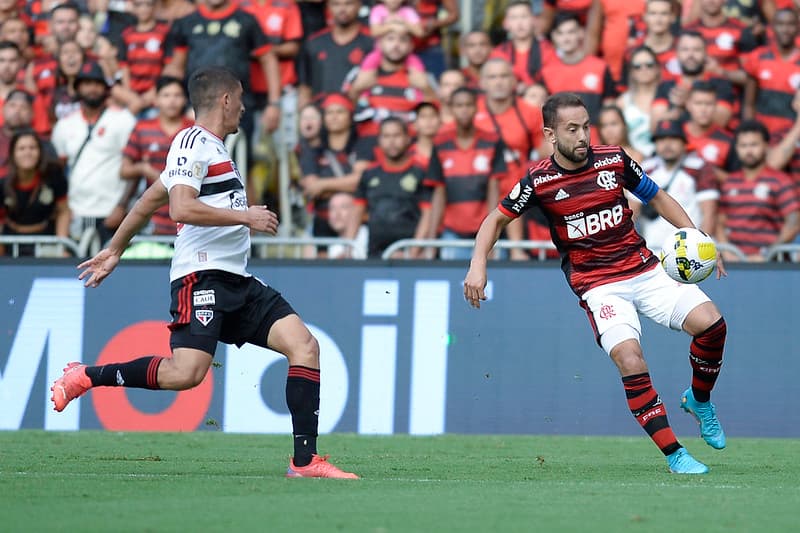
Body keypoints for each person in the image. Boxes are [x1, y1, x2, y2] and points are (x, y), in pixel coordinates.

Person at [51, 66, 358, 480]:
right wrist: (245, 216)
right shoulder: (192, 141)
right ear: (226, 100)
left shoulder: (211, 150)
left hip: (237, 279)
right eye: (241, 100)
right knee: (186, 374)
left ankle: (304, 461)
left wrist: (114, 250)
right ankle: (86, 376)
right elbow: (179, 207)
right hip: (202, 278)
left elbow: (148, 201)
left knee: (304, 346)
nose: (244, 108)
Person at [464, 92, 729, 474]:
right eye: (572, 129)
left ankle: (699, 400)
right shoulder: (539, 180)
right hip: (599, 286)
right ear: (550, 134)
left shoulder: (614, 160)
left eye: (586, 127)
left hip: (644, 268)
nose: (582, 136)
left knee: (712, 325)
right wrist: (478, 263)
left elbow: (658, 198)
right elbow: (496, 219)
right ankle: (676, 454)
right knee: (630, 359)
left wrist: (697, 238)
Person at [52, 61, 137, 246]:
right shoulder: (64, 125)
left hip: (112, 211)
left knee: (112, 261)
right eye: (87, 83)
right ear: (77, 88)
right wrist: (64, 210)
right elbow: (58, 172)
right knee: (76, 263)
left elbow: (133, 169)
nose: (92, 88)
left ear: (105, 88)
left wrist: (122, 206)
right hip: (76, 212)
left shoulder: (123, 119)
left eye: (97, 84)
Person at [428, 87, 507, 260]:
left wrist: (491, 236)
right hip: (452, 234)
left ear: (476, 108)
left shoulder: (492, 141)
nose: (464, 110)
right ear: (451, 109)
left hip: (484, 233)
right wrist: (431, 242)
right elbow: (439, 193)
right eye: (459, 105)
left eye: (468, 105)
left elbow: (494, 190)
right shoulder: (440, 143)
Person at [717, 119, 800, 261]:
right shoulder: (730, 183)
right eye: (743, 145)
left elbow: (794, 222)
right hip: (733, 264)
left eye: (754, 144)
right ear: (736, 148)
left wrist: (768, 254)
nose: (749, 151)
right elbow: (720, 222)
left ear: (766, 146)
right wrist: (727, 252)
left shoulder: (781, 181)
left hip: (770, 265)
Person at [634, 119, 719, 252]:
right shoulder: (645, 169)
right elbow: (632, 211)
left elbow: (709, 214)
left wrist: (702, 249)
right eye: (661, 139)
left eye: (673, 138)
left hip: (689, 251)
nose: (667, 144)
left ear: (684, 142)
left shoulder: (699, 167)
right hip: (652, 251)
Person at [353, 117, 431, 258]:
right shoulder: (369, 174)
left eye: (397, 135)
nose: (391, 141)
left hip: (409, 254)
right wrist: (348, 246)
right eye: (386, 136)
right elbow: (357, 211)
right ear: (379, 140)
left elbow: (428, 214)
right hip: (374, 253)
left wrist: (414, 251)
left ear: (407, 138)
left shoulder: (421, 172)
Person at [1, 129, 70, 256]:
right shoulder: (3, 183)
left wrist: (62, 246)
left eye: (32, 148)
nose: (27, 153)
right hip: (10, 242)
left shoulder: (54, 176)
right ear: (12, 153)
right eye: (21, 148)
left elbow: (63, 211)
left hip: (47, 241)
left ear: (40, 152)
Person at [617, 46, 659, 158]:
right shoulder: (622, 102)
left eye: (649, 65)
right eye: (637, 66)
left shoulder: (668, 97)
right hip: (632, 160)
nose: (643, 69)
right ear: (631, 71)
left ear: (657, 68)